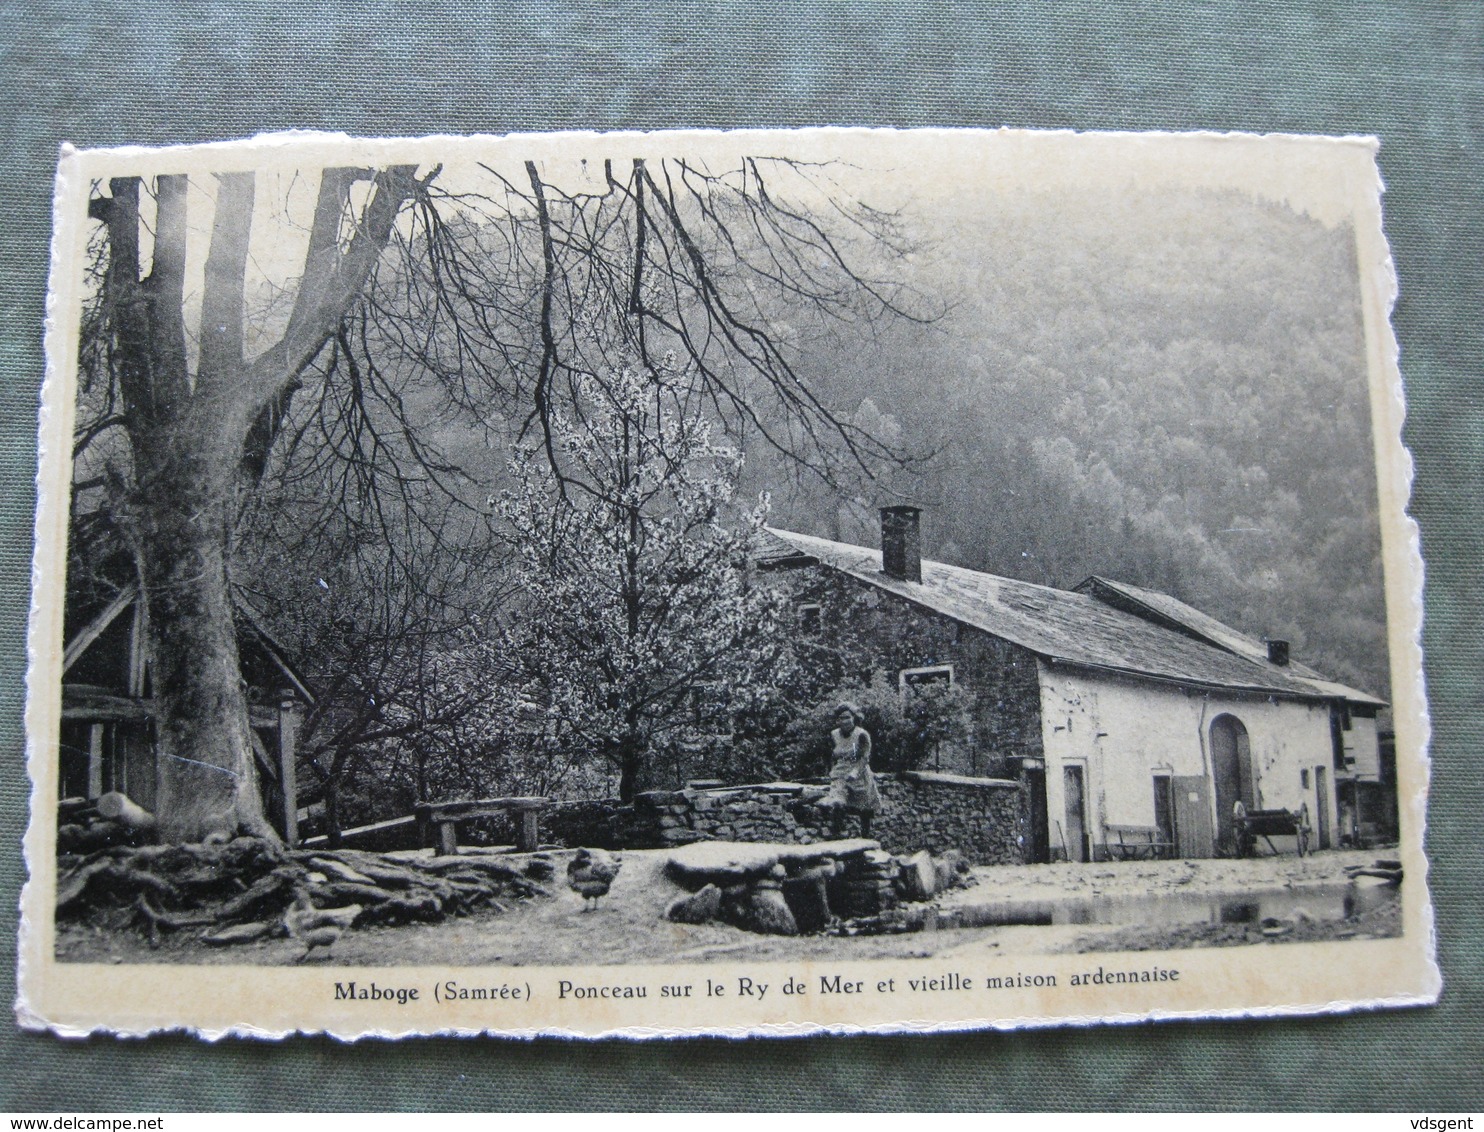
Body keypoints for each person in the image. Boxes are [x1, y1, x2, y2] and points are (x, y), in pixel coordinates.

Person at [822, 702, 881, 837]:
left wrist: (855, 772)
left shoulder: (861, 734)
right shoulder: (834, 735)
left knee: (864, 809)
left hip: (859, 774)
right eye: (841, 718)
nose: (845, 721)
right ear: (837, 720)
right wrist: (832, 770)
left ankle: (866, 840)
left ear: (854, 718)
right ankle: (838, 836)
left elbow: (864, 757)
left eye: (848, 717)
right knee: (837, 802)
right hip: (841, 773)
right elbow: (831, 755)